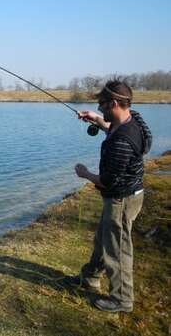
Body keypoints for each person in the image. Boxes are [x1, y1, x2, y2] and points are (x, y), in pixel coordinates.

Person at [64, 79, 152, 312]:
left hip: (121, 199)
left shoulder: (121, 142)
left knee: (118, 249)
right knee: (104, 238)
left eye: (102, 104)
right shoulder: (135, 121)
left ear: (114, 102)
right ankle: (91, 276)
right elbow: (117, 128)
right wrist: (98, 119)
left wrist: (85, 174)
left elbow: (107, 181)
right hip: (129, 194)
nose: (100, 108)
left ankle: (122, 299)